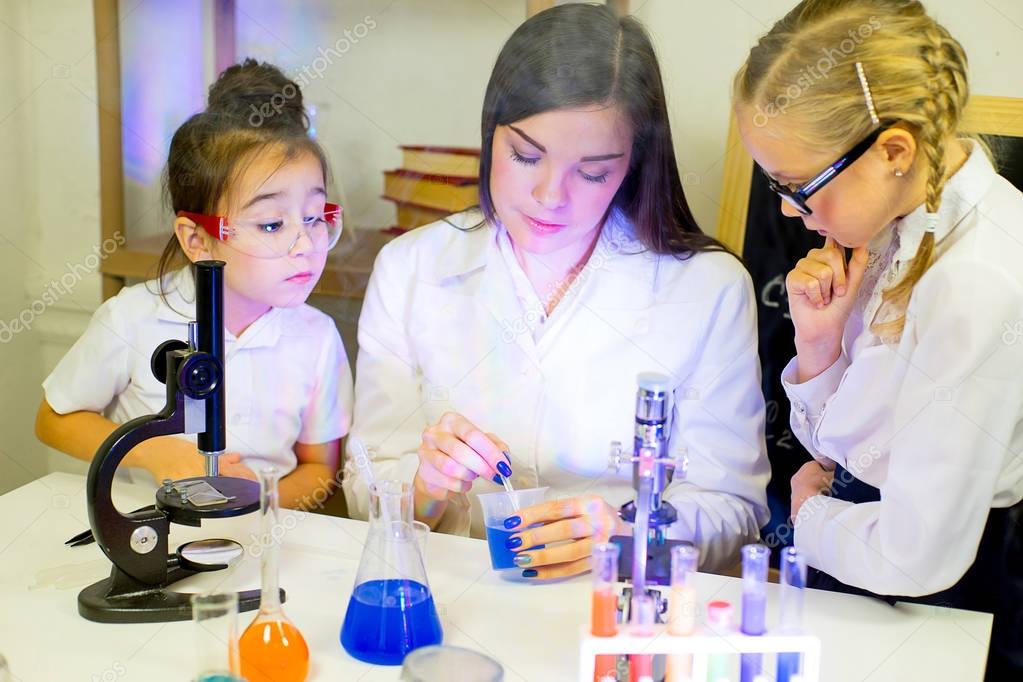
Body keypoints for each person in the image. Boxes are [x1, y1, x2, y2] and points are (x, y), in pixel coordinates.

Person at [345, 3, 770, 577]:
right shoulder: (410, 269)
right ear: (490, 133)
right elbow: (363, 490)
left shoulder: (710, 289)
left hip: (617, 610)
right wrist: (425, 488)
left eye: (591, 172)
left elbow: (736, 512)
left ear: (633, 165)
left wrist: (624, 537)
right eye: (525, 155)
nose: (550, 195)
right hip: (450, 597)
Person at [733, 0, 1023, 676]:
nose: (785, 211)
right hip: (858, 545)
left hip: (936, 594)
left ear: (891, 150)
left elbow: (916, 552)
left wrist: (807, 516)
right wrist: (821, 346)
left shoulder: (975, 277)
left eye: (797, 187)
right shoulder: (896, 220)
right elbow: (847, 444)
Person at [36, 61, 353, 509]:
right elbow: (54, 418)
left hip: (261, 544)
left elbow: (320, 469)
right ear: (197, 239)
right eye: (270, 224)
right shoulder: (132, 317)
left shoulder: (316, 336)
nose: (304, 245)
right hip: (147, 538)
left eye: (315, 218)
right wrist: (155, 451)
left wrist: (257, 504)